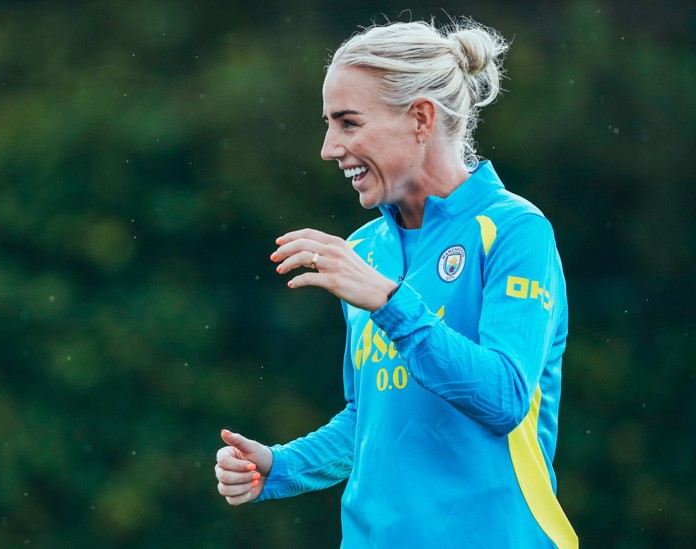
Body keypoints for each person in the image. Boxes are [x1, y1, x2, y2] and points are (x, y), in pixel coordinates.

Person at [214, 18, 578, 548]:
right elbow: (374, 415)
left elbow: (503, 398)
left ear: (421, 119)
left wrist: (389, 302)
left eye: (348, 123)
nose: (328, 147)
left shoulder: (515, 231)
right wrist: (280, 465)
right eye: (328, 124)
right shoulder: (363, 251)